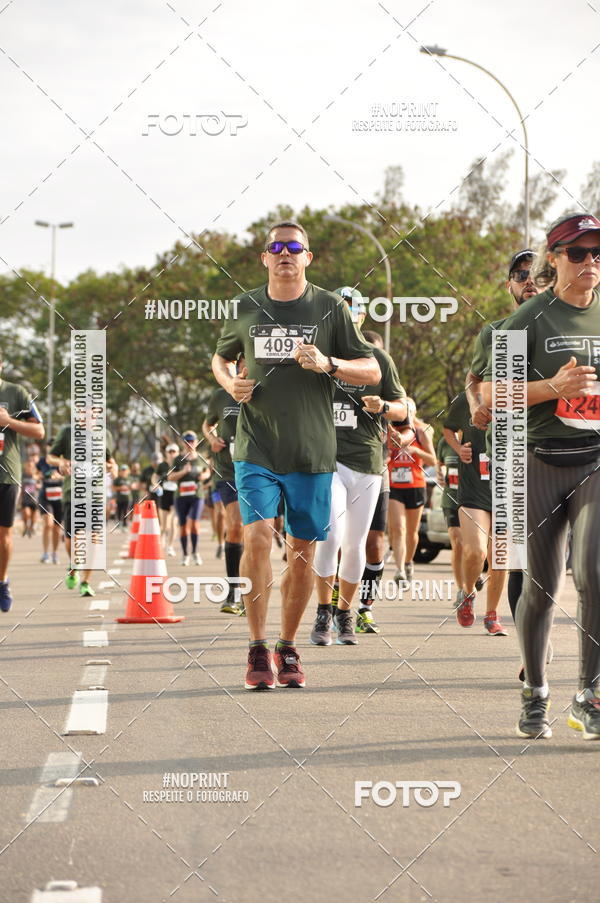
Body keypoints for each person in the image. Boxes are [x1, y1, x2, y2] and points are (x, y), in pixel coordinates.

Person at [212, 220, 380, 690]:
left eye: (295, 247)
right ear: (264, 257)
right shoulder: (244, 307)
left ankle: (287, 646)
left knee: (303, 553)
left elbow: (370, 369)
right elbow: (221, 357)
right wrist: (229, 382)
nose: (285, 253)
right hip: (256, 447)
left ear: (309, 256)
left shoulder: (330, 308)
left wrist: (330, 363)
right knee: (259, 540)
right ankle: (256, 648)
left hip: (311, 451)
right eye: (276, 247)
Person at [481, 212, 600, 739]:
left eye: (598, 254)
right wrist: (553, 387)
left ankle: (589, 697)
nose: (590, 263)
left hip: (595, 458)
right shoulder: (527, 320)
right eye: (578, 253)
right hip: (538, 461)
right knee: (542, 589)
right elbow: (489, 399)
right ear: (553, 258)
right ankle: (535, 691)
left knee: (594, 575)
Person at [310, 295, 406, 646]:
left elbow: (402, 407)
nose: (348, 313)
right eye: (341, 308)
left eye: (354, 307)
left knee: (355, 545)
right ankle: (323, 610)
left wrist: (384, 406)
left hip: (366, 462)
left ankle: (345, 613)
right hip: (326, 460)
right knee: (331, 535)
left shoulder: (378, 358)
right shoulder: (317, 353)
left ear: (363, 315)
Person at [466, 249, 539, 627]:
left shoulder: (573, 324)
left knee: (554, 558)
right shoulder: (496, 332)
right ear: (509, 284)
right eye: (520, 274)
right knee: (517, 555)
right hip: (510, 452)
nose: (529, 280)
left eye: (537, 273)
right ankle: (531, 651)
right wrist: (476, 403)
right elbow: (474, 380)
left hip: (568, 451)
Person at [443, 391, 507, 636]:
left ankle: (492, 615)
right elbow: (448, 429)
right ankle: (468, 592)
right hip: (473, 489)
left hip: (505, 490)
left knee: (499, 556)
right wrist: (459, 449)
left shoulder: (520, 396)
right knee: (476, 552)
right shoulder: (466, 399)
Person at [48, 419, 116, 598]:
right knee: (72, 538)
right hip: (73, 493)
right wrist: (60, 462)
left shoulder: (104, 434)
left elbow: (110, 460)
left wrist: (113, 467)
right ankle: (75, 564)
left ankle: (86, 582)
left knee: (94, 539)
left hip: (96, 494)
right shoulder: (67, 432)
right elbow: (50, 456)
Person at [0, 360, 44, 610]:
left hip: (6, 474)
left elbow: (39, 431)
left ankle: (2, 581)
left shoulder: (16, 393)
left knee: (4, 534)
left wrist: (9, 421)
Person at [203, 379, 245, 615]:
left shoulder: (265, 390)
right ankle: (233, 592)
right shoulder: (222, 395)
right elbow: (207, 425)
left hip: (257, 469)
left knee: (255, 533)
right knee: (236, 526)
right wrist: (211, 440)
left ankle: (251, 592)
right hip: (227, 471)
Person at [387, 399, 436, 589]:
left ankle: (408, 562)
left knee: (412, 531)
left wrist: (415, 450)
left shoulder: (421, 431)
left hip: (415, 484)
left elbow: (433, 460)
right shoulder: (390, 430)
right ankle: (399, 570)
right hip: (394, 485)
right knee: (398, 528)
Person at [436, 435, 463, 606]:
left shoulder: (481, 436)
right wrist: (439, 473)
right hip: (451, 498)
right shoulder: (445, 440)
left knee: (477, 549)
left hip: (477, 500)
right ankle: (462, 590)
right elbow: (439, 464)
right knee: (458, 542)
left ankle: (472, 572)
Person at [171, 431, 205, 566]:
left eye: (192, 441)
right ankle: (185, 554)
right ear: (183, 443)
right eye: (187, 441)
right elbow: (170, 477)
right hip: (181, 497)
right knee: (183, 526)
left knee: (194, 523)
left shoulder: (200, 458)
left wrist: (203, 476)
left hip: (197, 496)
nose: (189, 444)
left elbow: (207, 472)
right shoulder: (177, 459)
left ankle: (195, 552)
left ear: (196, 442)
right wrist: (183, 472)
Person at [37, 440, 64, 564]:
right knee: (48, 523)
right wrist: (40, 476)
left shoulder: (63, 462)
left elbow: (72, 476)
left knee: (56, 528)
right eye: (49, 447)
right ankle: (45, 553)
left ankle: (55, 553)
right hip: (45, 496)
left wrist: (59, 477)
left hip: (59, 498)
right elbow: (35, 474)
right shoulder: (42, 461)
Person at [157, 444, 178, 557]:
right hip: (164, 493)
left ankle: (170, 546)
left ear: (177, 453)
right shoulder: (162, 465)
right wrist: (156, 484)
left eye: (174, 451)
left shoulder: (180, 463)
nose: (171, 454)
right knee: (164, 525)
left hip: (176, 494)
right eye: (170, 451)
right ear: (166, 453)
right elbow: (154, 477)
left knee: (173, 523)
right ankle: (160, 545)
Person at [20, 458, 40, 537]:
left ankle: (31, 528)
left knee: (33, 516)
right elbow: (21, 487)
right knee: (26, 513)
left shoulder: (37, 475)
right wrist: (19, 498)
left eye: (31, 466)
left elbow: (41, 485)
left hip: (34, 499)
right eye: (28, 465)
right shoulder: (23, 475)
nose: (29, 467)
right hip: (25, 499)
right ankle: (25, 526)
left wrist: (38, 486)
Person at [113, 464, 132, 531]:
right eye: (122, 470)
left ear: (127, 471)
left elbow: (133, 486)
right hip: (119, 498)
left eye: (125, 470)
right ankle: (118, 523)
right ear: (120, 471)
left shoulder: (130, 478)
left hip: (128, 498)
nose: (124, 471)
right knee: (119, 511)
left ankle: (125, 525)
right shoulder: (118, 479)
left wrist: (130, 487)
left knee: (126, 511)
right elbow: (113, 488)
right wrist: (120, 488)